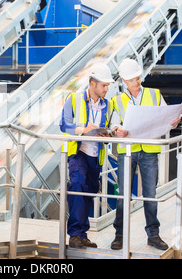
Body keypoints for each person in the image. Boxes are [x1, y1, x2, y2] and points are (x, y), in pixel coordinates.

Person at [110, 58, 181, 251]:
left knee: (150, 194)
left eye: (138, 78)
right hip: (127, 151)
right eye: (132, 80)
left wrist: (173, 121)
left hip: (148, 151)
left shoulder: (154, 94)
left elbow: (166, 115)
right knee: (123, 196)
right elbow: (113, 124)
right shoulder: (116, 100)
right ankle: (120, 236)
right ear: (124, 81)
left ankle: (153, 235)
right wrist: (118, 130)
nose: (136, 82)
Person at [59, 59, 115, 249]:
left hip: (96, 156)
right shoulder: (73, 99)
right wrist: (82, 129)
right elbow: (63, 125)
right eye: (104, 85)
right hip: (79, 152)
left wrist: (107, 133)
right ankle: (74, 234)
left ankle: (82, 235)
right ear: (92, 83)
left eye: (107, 85)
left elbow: (109, 130)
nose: (107, 89)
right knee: (77, 186)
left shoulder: (108, 106)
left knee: (89, 192)